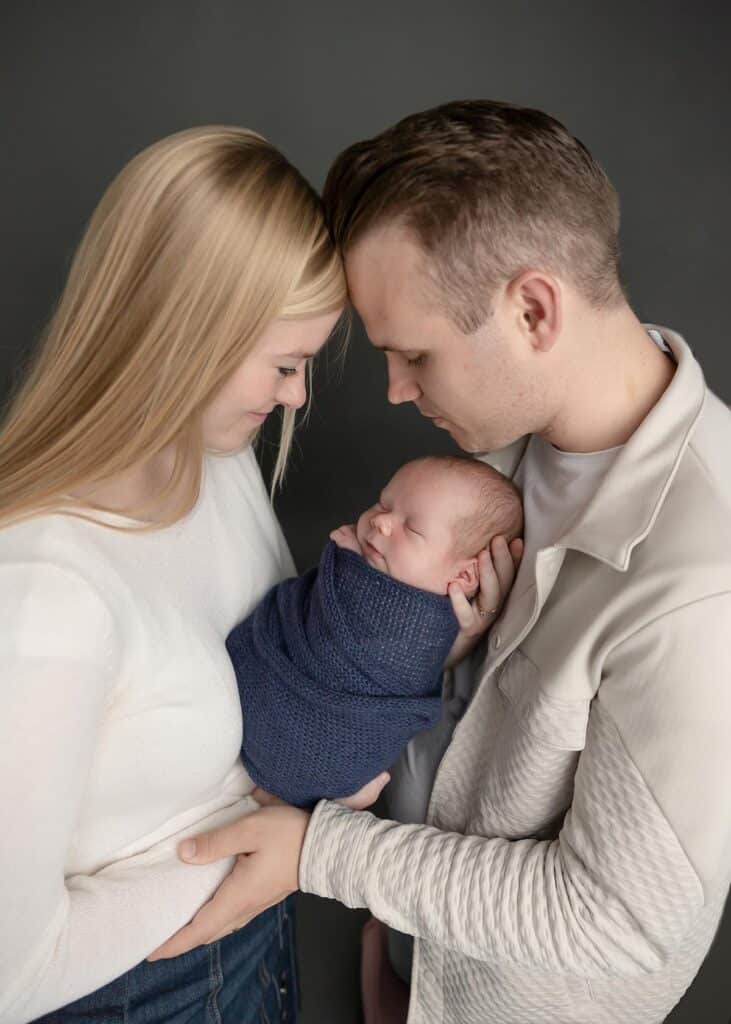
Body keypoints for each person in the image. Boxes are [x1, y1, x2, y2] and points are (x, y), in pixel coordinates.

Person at [153, 101, 731, 1024]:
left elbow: (618, 921)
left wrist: (321, 855)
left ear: (532, 309)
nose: (394, 390)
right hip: (410, 964)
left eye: (414, 354)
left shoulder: (701, 585)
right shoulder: (500, 451)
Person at [0, 124, 354, 1024]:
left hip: (249, 956)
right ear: (185, 333)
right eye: (284, 364)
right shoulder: (50, 595)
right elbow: (10, 975)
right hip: (132, 995)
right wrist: (269, 848)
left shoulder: (217, 462)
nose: (296, 398)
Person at [227, 455, 523, 808]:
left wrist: (346, 565)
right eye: (383, 504)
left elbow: (353, 646)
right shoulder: (403, 594)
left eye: (411, 529)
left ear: (462, 578)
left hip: (324, 745)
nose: (381, 521)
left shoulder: (421, 629)